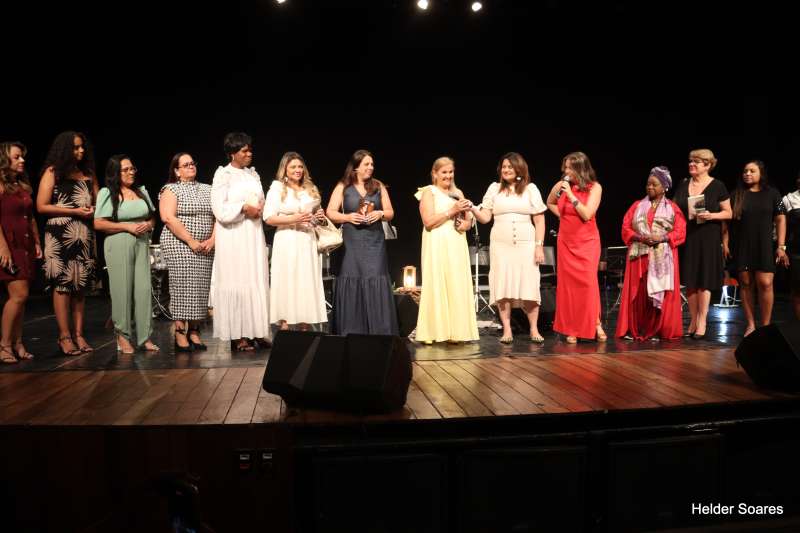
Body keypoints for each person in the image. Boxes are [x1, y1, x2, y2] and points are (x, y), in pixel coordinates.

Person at [472, 153, 546, 343]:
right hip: (501, 245)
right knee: (502, 285)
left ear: (519, 169)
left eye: (510, 167)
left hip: (526, 244)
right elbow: (485, 218)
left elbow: (539, 220)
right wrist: (473, 209)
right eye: (504, 167)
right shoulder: (494, 189)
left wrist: (539, 246)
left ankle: (534, 329)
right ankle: (507, 329)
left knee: (529, 284)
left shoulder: (530, 189)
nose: (506, 170)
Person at [36, 131, 98, 356]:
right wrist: (74, 211)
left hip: (84, 234)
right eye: (75, 147)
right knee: (62, 286)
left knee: (80, 286)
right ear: (64, 149)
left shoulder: (88, 173)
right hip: (60, 234)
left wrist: (93, 210)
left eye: (82, 147)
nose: (81, 151)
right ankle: (64, 336)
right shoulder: (53, 172)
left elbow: (98, 202)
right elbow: (41, 206)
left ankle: (79, 334)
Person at [325, 149, 398, 335]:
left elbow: (390, 212)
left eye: (372, 164)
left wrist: (380, 213)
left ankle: (380, 330)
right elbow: (330, 212)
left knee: (376, 277)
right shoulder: (343, 186)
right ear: (356, 167)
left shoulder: (378, 186)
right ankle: (352, 329)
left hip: (374, 242)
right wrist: (348, 217)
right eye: (366, 164)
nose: (370, 167)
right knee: (352, 276)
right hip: (352, 242)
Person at [210, 132, 271, 351]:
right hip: (233, 236)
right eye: (244, 151)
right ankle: (238, 335)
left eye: (249, 150)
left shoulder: (252, 174)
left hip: (252, 233)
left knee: (255, 279)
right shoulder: (223, 175)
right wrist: (244, 208)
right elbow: (219, 210)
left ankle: (257, 331)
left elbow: (261, 200)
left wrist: (260, 208)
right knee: (236, 281)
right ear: (232, 153)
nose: (249, 154)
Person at [94, 155, 159, 353]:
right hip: (118, 242)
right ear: (115, 172)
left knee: (143, 289)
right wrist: (126, 226)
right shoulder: (107, 193)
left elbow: (152, 217)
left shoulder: (141, 191)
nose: (131, 172)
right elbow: (99, 223)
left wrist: (149, 224)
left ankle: (145, 336)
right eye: (126, 169)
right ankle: (122, 336)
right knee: (122, 289)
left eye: (132, 168)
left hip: (141, 243)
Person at [615, 167, 686, 341]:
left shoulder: (672, 208)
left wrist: (662, 237)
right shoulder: (637, 206)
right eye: (648, 184)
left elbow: (680, 232)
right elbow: (625, 228)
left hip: (662, 257)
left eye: (654, 184)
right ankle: (636, 328)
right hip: (640, 257)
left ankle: (658, 329)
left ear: (665, 187)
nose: (650, 187)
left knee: (657, 291)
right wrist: (640, 237)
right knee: (639, 293)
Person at [415, 157, 479, 344]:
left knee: (456, 284)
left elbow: (468, 221)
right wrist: (452, 211)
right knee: (437, 283)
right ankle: (432, 332)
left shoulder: (458, 193)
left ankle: (455, 333)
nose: (448, 176)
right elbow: (428, 222)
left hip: (456, 243)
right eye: (444, 172)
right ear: (435, 174)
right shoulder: (429, 192)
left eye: (451, 172)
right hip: (437, 243)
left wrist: (465, 224)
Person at [672, 149, 732, 339]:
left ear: (707, 165)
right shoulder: (683, 184)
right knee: (690, 280)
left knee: (704, 279)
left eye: (696, 162)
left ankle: (702, 321)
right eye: (690, 161)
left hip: (708, 236)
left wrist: (711, 215)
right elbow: (674, 208)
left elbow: (729, 213)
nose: (691, 164)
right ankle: (693, 319)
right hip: (688, 236)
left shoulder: (718, 186)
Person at [546, 151, 605, 343]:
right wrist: (563, 216)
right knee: (569, 287)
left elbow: (587, 214)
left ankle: (595, 323)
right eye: (565, 167)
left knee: (588, 284)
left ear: (581, 169)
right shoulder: (560, 185)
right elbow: (550, 202)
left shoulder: (595, 188)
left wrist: (570, 195)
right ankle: (572, 327)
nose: (566, 171)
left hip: (587, 242)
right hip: (566, 241)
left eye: (570, 168)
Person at [722, 160, 787, 336]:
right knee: (746, 283)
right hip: (742, 245)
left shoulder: (773, 193)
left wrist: (781, 246)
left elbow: (781, 218)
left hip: (765, 245)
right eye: (745, 171)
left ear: (761, 174)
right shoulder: (736, 194)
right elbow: (726, 220)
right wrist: (725, 242)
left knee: (765, 283)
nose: (748, 174)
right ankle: (750, 324)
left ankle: (765, 325)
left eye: (752, 171)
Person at [264, 151, 327, 331]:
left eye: (300, 166)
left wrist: (319, 217)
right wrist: (294, 218)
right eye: (293, 167)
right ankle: (285, 327)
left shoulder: (310, 188)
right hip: (287, 239)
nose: (297, 170)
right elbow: (268, 218)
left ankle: (305, 327)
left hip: (307, 240)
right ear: (285, 169)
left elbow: (314, 219)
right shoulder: (277, 188)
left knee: (305, 281)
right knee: (287, 280)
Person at [159, 153, 215, 351]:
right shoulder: (171, 189)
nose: (191, 166)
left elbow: (218, 217)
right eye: (186, 164)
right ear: (177, 171)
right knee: (182, 286)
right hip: (179, 244)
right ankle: (180, 331)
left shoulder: (208, 189)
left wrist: (212, 239)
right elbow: (167, 217)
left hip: (205, 246)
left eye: (193, 163)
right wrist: (191, 241)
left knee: (200, 288)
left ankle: (194, 330)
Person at [0, 142, 42, 363]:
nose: (22, 160)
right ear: (4, 160)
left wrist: (37, 242)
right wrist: (3, 248)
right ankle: (5, 345)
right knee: (18, 296)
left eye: (22, 157)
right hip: (9, 245)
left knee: (22, 297)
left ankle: (17, 343)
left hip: (24, 245)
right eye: (17, 157)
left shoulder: (21, 185)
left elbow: (30, 217)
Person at [782, 173, 800, 320]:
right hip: (796, 251)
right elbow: (779, 225)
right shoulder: (787, 199)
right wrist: (782, 249)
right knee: (797, 288)